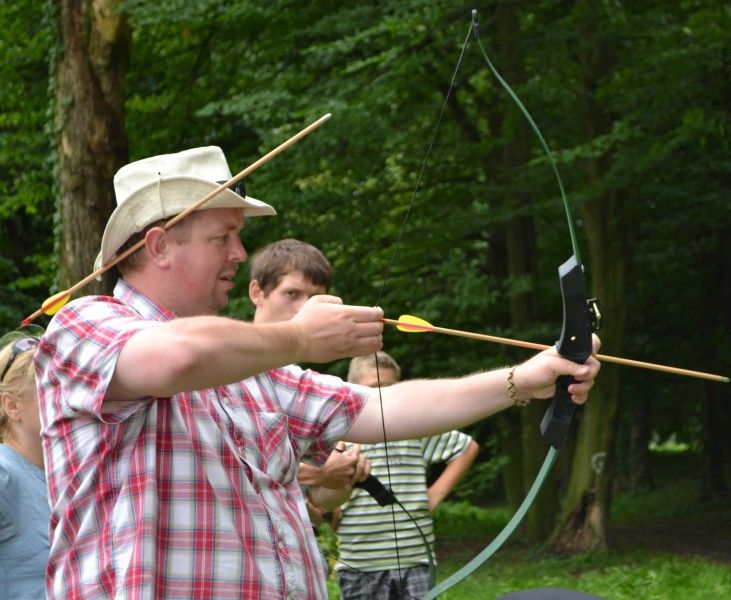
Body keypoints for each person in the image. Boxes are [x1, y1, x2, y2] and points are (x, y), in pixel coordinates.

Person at [34, 145, 600, 599]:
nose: (239, 252)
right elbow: (173, 358)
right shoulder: (85, 325)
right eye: (222, 236)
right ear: (158, 246)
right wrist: (300, 336)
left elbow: (378, 409)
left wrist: (523, 380)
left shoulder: (250, 366)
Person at [336, 352, 480, 600]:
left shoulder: (411, 427)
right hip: (360, 564)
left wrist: (435, 494)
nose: (383, 397)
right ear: (352, 391)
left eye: (391, 389)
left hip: (415, 559)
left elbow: (466, 448)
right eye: (373, 388)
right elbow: (322, 488)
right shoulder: (341, 434)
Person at [249, 238, 371, 523]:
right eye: (292, 293)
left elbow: (319, 506)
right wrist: (318, 471)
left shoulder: (308, 385)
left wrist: (341, 477)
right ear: (257, 292)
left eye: (315, 298)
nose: (304, 308)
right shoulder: (225, 367)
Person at [0, 332, 49, 599]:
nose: (63, 399)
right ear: (12, 406)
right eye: (48, 389)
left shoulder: (59, 477)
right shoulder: (4, 472)